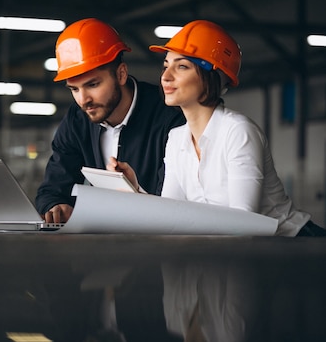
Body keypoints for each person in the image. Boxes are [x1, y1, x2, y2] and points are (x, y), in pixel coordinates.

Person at [111, 19, 326, 237]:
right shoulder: (176, 138)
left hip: (298, 244)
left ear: (210, 77)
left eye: (182, 66)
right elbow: (171, 212)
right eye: (166, 66)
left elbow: (243, 222)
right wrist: (136, 190)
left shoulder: (238, 132)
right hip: (248, 251)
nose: (166, 76)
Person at [35, 18, 186, 223]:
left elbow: (174, 203)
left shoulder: (169, 117)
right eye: (74, 89)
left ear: (121, 74)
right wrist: (56, 206)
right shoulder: (77, 120)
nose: (83, 100)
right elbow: (52, 188)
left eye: (93, 84)